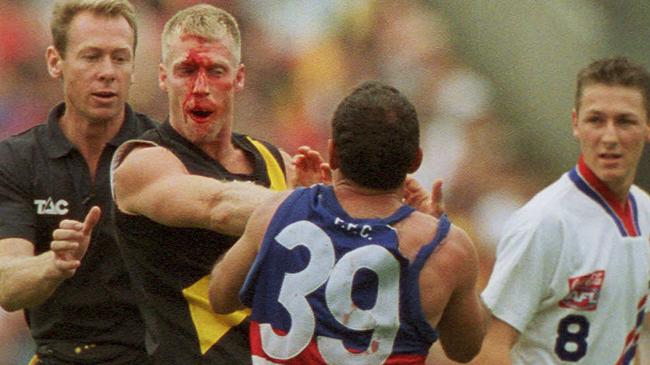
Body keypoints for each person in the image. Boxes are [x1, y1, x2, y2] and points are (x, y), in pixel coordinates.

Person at [110, 4, 332, 364]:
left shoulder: (275, 159)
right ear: (163, 76)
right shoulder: (142, 162)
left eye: (215, 71)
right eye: (186, 70)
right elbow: (219, 206)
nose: (200, 88)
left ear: (239, 77)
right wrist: (313, 208)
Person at [208, 80, 489, 364]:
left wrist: (296, 206)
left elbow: (220, 297)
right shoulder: (448, 250)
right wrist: (434, 232)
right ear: (416, 160)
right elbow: (465, 350)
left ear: (333, 153)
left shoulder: (277, 212)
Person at [0, 1, 156, 364]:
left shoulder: (161, 150)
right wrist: (53, 265)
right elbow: (8, 284)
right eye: (91, 57)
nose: (107, 72)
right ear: (56, 62)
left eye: (120, 58)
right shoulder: (18, 159)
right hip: (59, 356)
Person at [480, 56, 650, 365]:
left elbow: (626, 334)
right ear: (575, 124)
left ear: (647, 127)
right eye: (596, 120)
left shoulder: (646, 213)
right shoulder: (544, 222)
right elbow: (489, 348)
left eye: (625, 121)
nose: (609, 137)